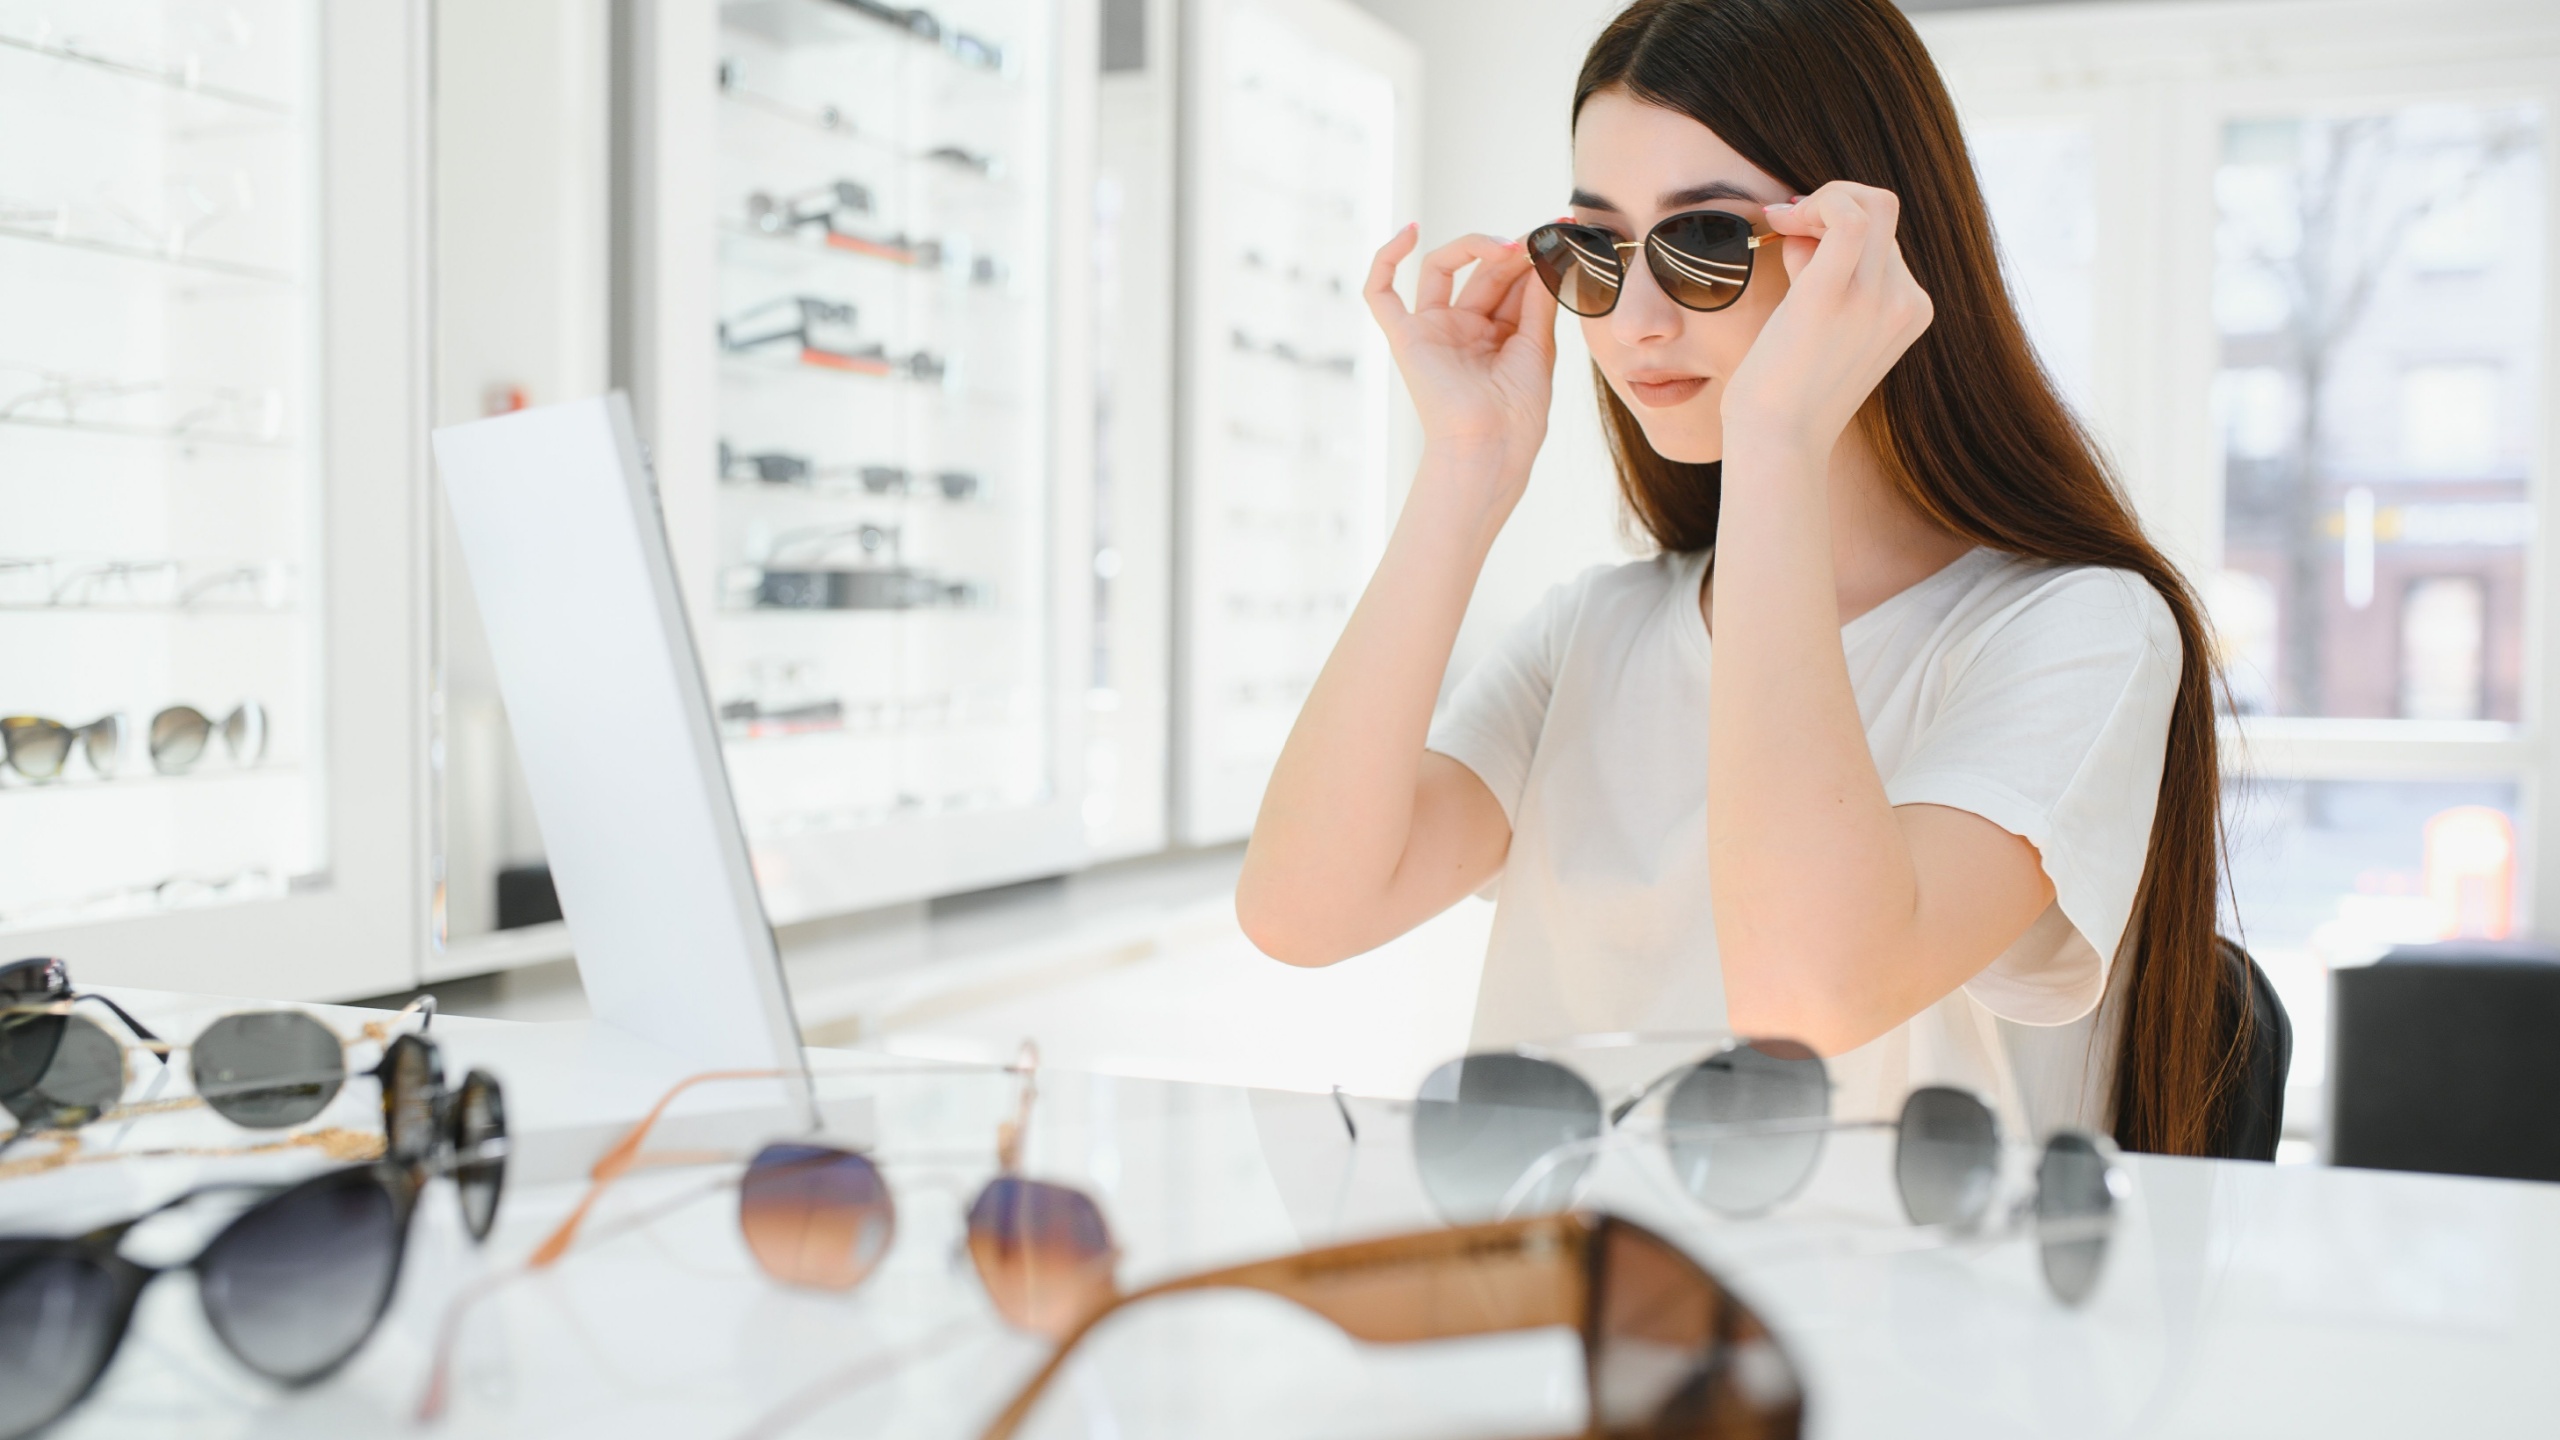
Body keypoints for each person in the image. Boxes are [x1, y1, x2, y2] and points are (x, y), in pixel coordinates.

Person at [1235, 0, 2243, 1154]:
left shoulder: (2077, 631)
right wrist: (1462, 470)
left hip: (1901, 1324)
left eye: (1707, 242)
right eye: (1596, 250)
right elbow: (1299, 912)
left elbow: (1804, 1005)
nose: (1635, 321)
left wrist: (1777, 439)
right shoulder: (1597, 633)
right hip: (1582, 1306)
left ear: (1866, 249)